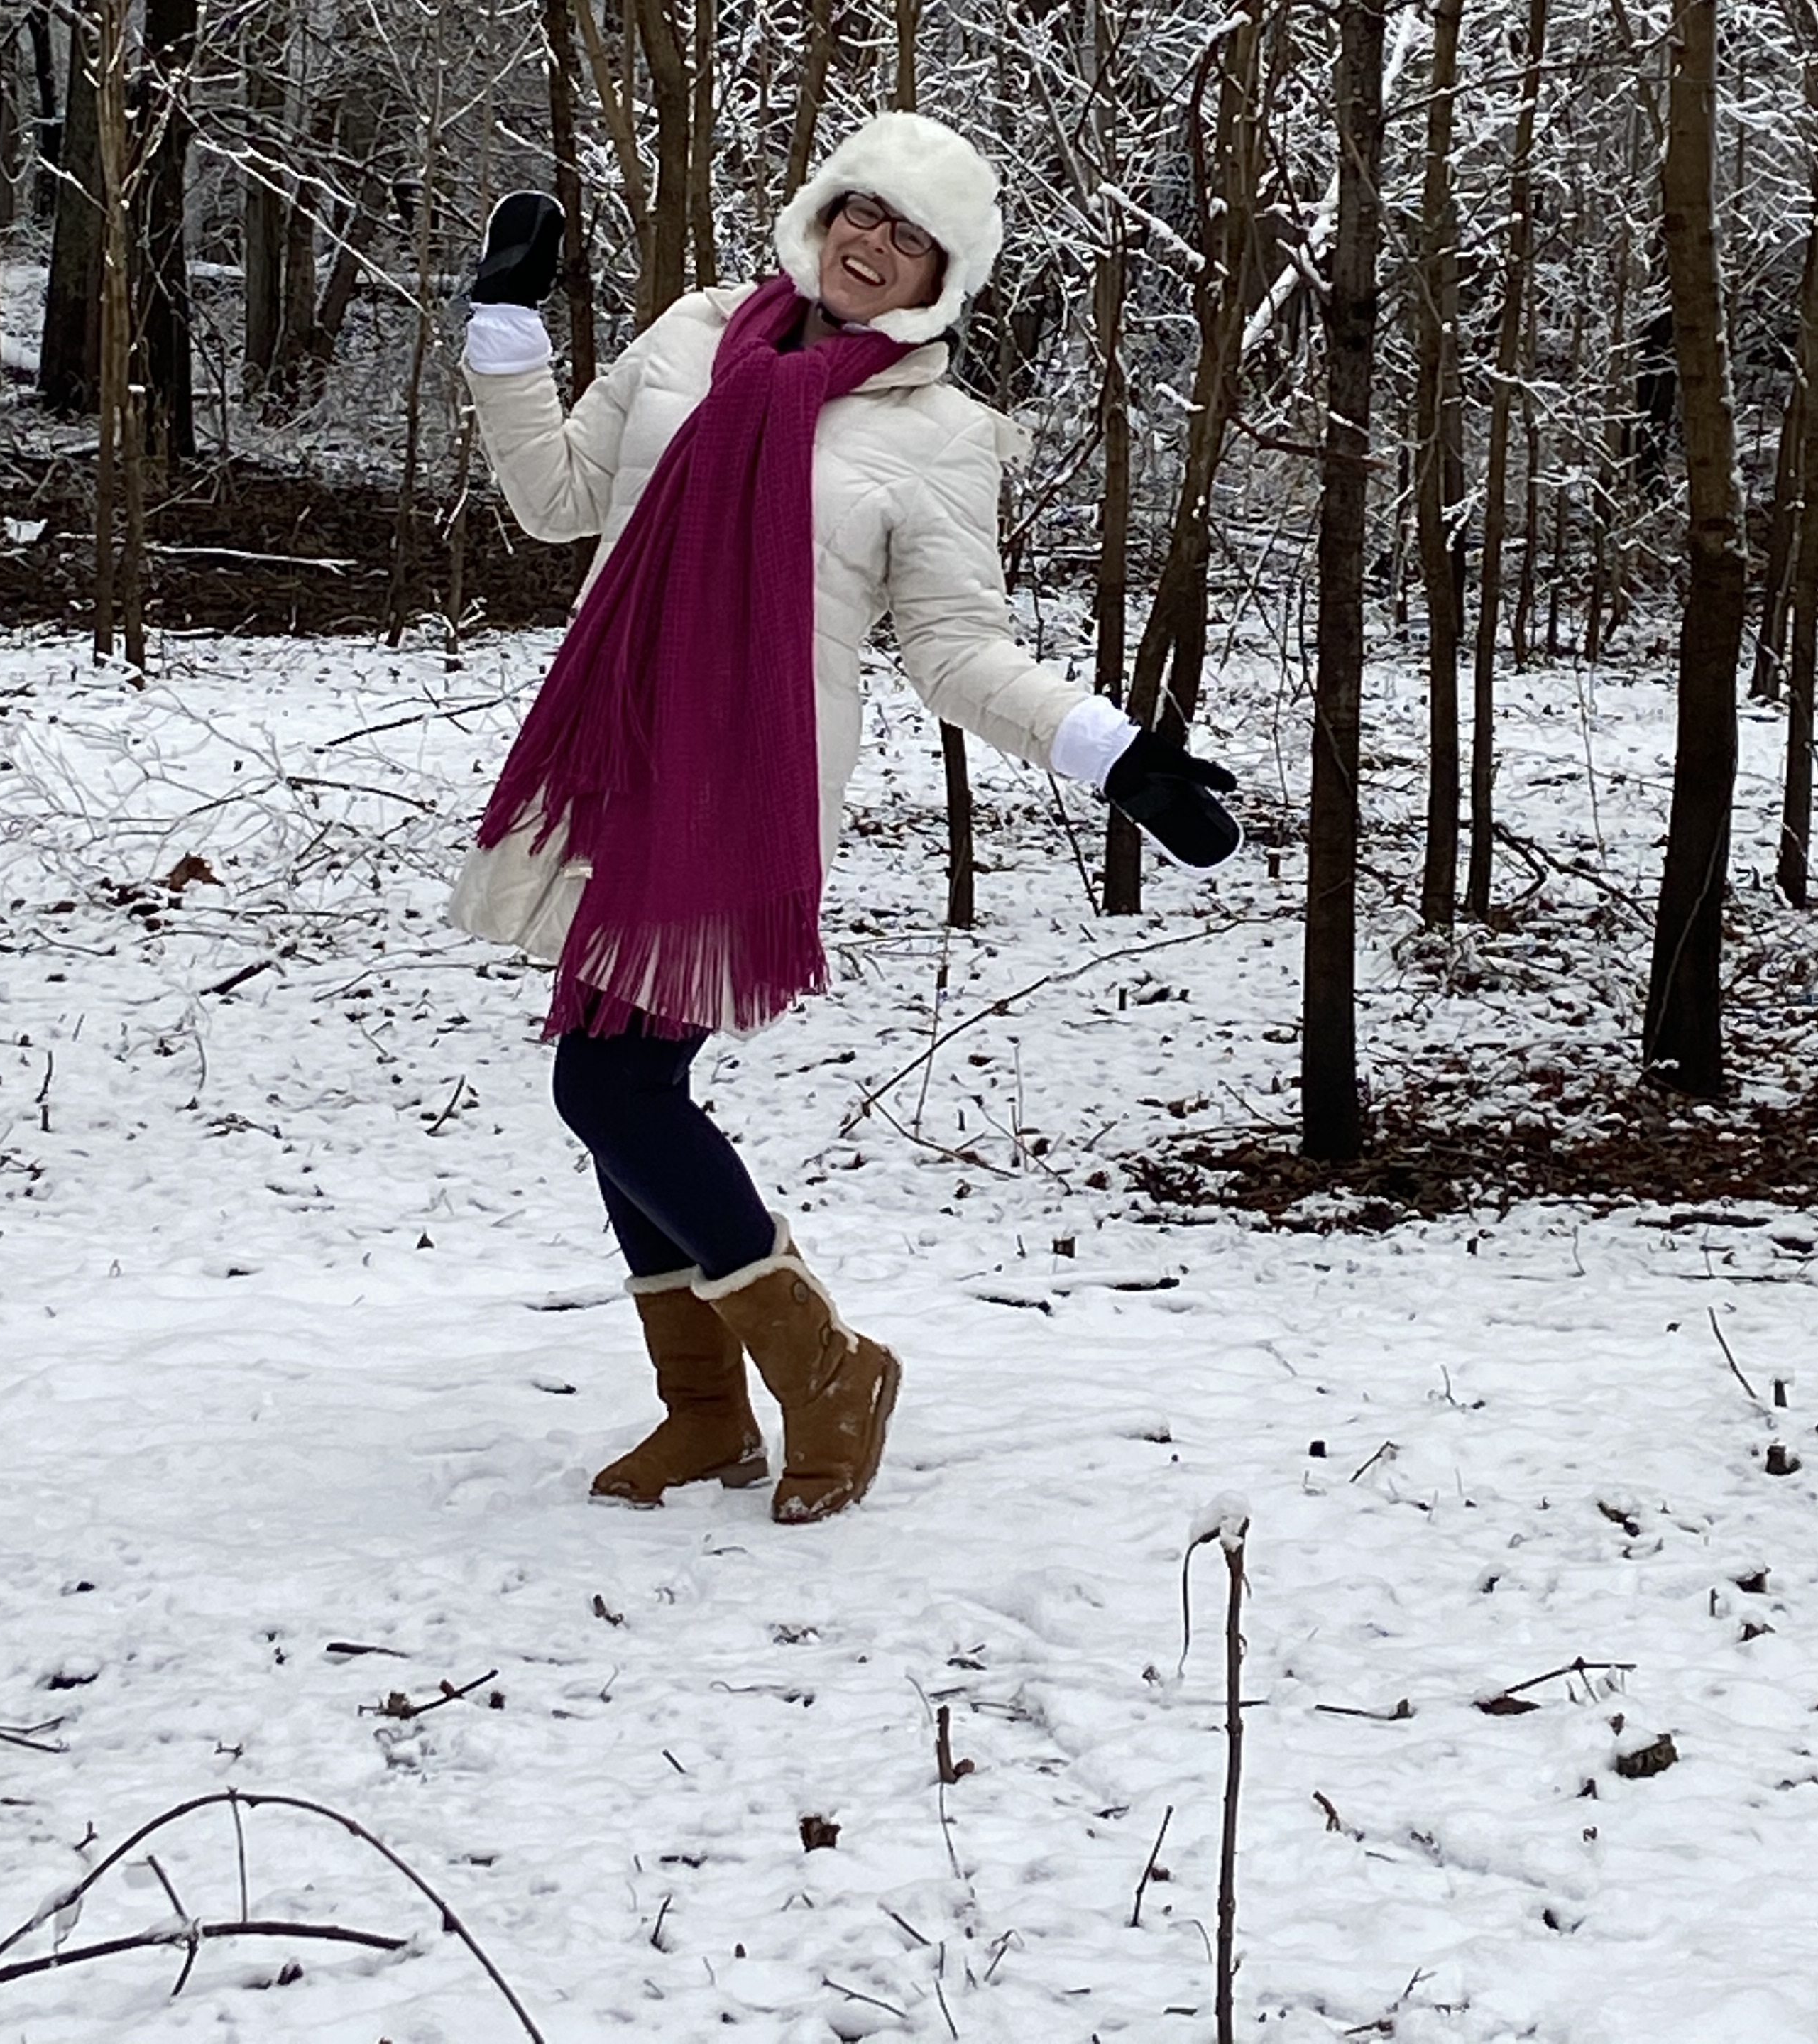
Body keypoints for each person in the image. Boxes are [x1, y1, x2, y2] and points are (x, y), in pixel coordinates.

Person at [452, 111, 1238, 1525]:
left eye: (908, 235)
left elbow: (951, 645)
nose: (870, 244)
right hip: (615, 756)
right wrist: (507, 323)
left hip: (740, 789)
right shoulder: (694, 339)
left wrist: (1116, 757)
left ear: (944, 274)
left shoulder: (938, 435)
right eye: (857, 211)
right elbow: (556, 502)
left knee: (608, 1090)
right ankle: (706, 1414)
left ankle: (831, 1372)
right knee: (625, 1093)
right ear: (820, 213)